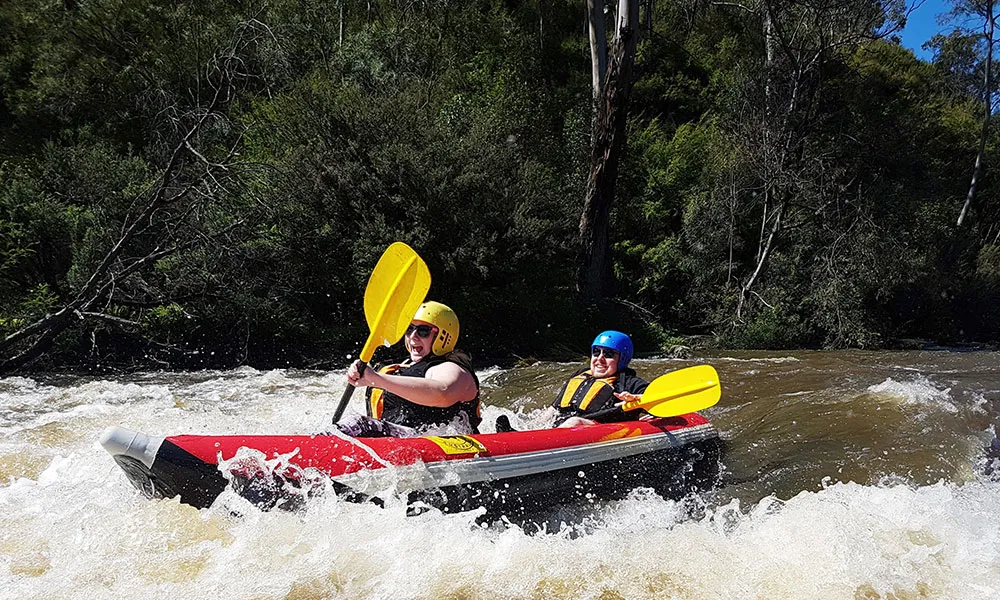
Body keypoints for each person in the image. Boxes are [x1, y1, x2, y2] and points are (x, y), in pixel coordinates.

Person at [335, 301, 481, 438]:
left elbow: (443, 393)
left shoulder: (452, 367)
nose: (413, 336)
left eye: (423, 331)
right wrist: (364, 374)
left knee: (359, 424)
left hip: (439, 444)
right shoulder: (402, 365)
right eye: (409, 328)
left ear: (443, 336)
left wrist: (376, 379)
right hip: (401, 443)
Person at [547, 330, 649, 428]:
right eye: (596, 352)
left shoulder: (630, 383)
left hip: (601, 428)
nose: (599, 358)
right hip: (563, 427)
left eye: (608, 354)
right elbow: (553, 410)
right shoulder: (580, 375)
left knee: (574, 422)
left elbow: (659, 398)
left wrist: (638, 398)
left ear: (623, 358)